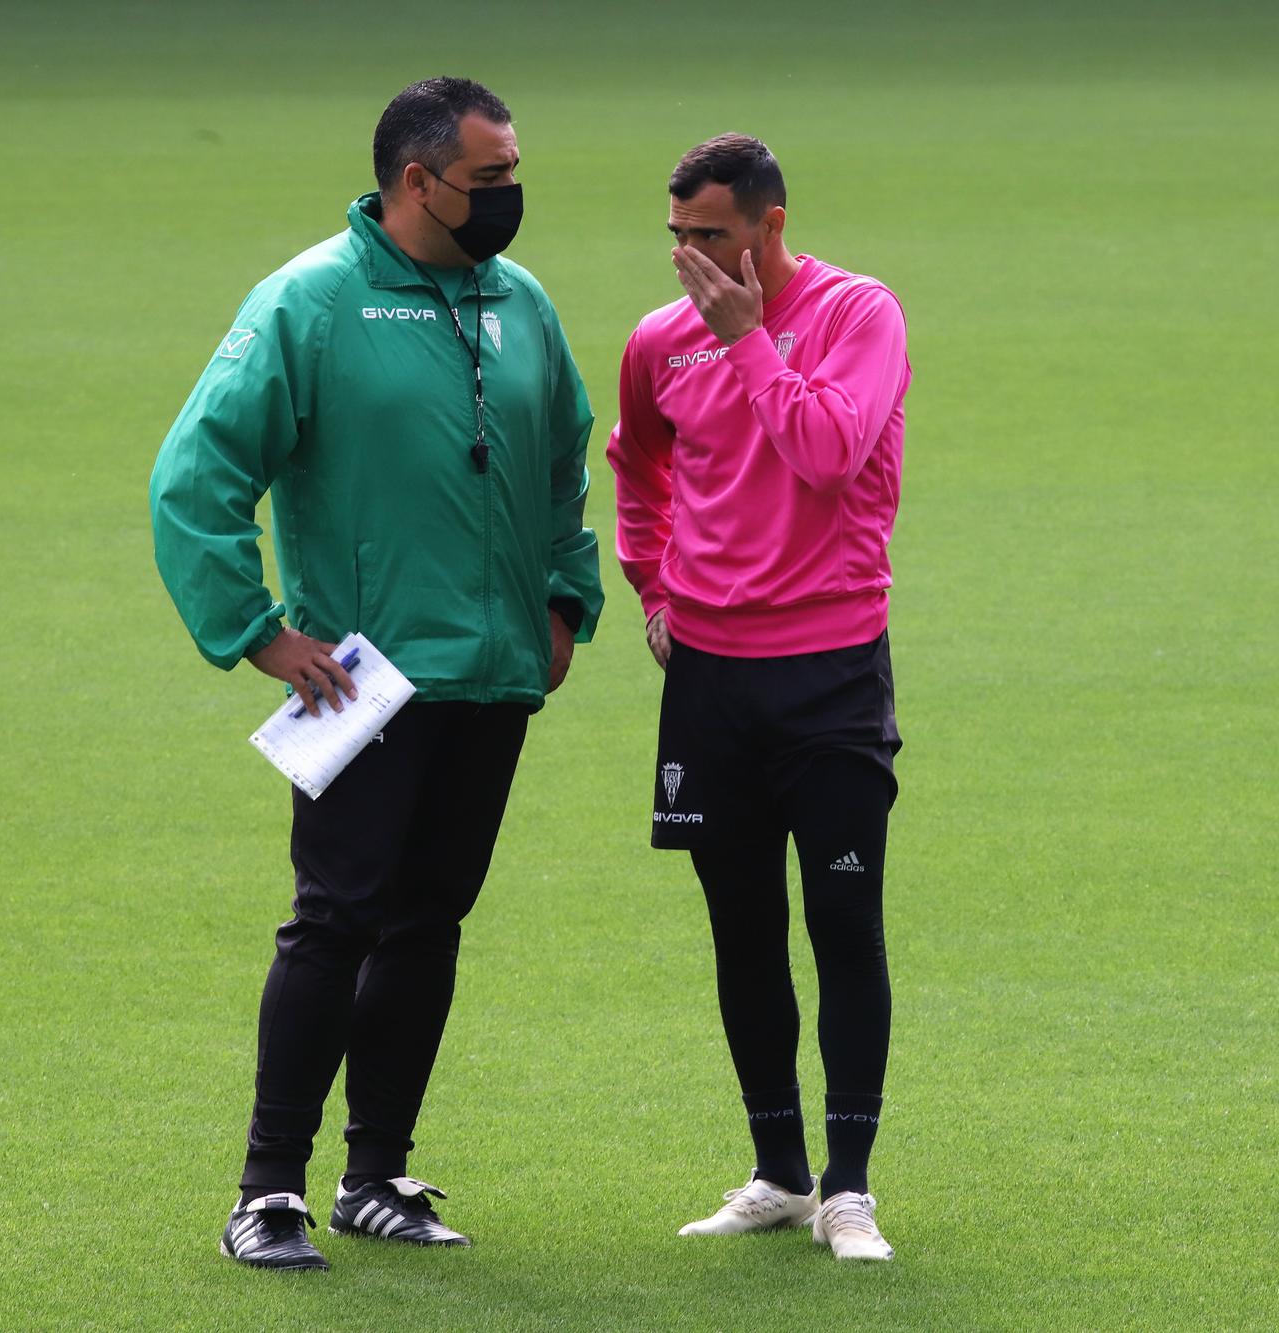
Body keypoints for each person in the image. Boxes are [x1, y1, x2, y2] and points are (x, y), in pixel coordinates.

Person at [148, 77, 601, 1272]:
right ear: (418, 180)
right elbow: (192, 480)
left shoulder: (521, 302)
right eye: (490, 178)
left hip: (496, 675)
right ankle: (267, 1189)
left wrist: (566, 599)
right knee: (334, 921)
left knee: (429, 923)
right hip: (364, 686)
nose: (510, 197)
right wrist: (258, 630)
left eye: (513, 173)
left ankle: (376, 1175)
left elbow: (561, 460)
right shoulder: (310, 301)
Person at [606, 134, 912, 1261]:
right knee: (740, 928)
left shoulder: (856, 314)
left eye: (713, 237)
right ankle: (778, 1172)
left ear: (770, 225)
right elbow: (636, 466)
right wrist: (650, 585)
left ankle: (849, 1189)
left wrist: (744, 342)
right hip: (711, 685)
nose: (691, 259)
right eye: (678, 237)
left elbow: (827, 450)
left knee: (841, 922)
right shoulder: (656, 341)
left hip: (829, 670)